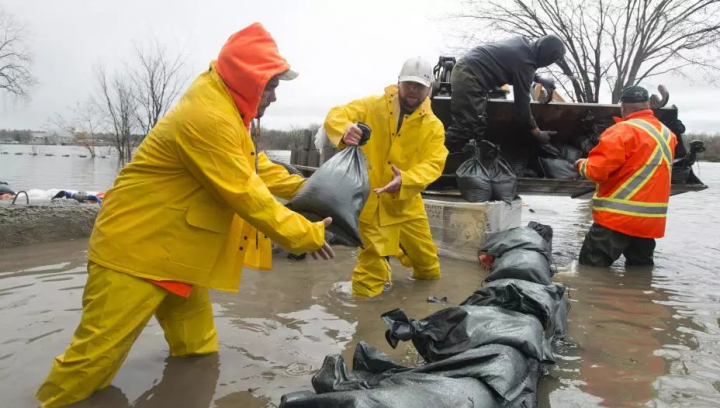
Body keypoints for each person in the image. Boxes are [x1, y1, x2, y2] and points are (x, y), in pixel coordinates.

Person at [36, 23, 335, 408]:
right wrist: (306, 233)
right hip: (135, 253)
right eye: (272, 85)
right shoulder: (207, 115)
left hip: (177, 256)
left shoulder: (225, 109)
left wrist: (309, 189)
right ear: (248, 79)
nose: (275, 96)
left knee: (198, 352)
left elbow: (251, 167)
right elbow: (246, 194)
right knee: (89, 366)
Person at [324, 57, 448, 298]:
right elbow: (337, 114)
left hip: (407, 205)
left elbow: (434, 162)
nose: (413, 90)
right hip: (372, 202)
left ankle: (402, 257)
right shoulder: (372, 106)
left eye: (420, 86)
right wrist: (344, 129)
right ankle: (367, 323)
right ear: (399, 83)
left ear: (429, 89)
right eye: (409, 84)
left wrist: (407, 180)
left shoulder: (433, 126)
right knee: (371, 275)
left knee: (428, 267)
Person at [575, 86, 677, 267]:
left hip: (616, 220)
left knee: (591, 272)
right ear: (648, 105)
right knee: (641, 273)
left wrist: (580, 164)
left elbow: (596, 172)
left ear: (623, 107)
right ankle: (642, 295)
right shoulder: (668, 134)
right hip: (649, 223)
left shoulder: (622, 131)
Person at [445, 35, 566, 173]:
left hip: (468, 70)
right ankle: (441, 164)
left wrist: (538, 79)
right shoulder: (525, 63)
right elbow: (522, 104)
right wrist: (537, 132)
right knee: (465, 126)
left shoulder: (523, 43)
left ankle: (473, 167)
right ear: (547, 58)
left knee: (478, 126)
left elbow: (513, 64)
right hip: (469, 76)